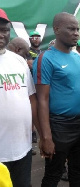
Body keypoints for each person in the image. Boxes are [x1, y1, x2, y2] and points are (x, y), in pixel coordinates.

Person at [33, 12, 80, 186]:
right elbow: (41, 100)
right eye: (71, 29)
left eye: (77, 29)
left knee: (77, 171)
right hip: (59, 126)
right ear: (57, 29)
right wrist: (46, 137)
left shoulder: (77, 57)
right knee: (53, 174)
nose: (76, 33)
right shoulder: (45, 59)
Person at [0, 8, 41, 187]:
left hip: (22, 148)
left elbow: (32, 99)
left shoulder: (18, 61)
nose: (1, 35)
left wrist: (42, 135)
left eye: (5, 30)